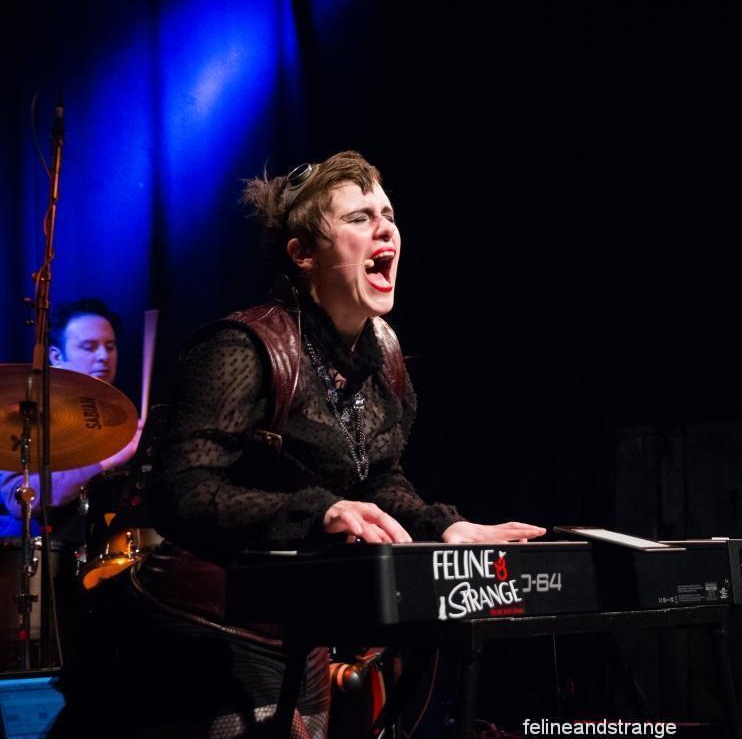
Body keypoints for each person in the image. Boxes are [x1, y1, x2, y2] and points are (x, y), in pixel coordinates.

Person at [51, 150, 544, 738]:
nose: (385, 229)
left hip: (295, 630)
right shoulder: (244, 347)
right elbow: (181, 494)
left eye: (388, 215)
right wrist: (321, 512)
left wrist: (444, 529)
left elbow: (375, 477)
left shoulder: (383, 355)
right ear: (303, 253)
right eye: (359, 217)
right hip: (198, 630)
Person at [0, 298, 141, 538]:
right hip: (53, 551)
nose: (103, 356)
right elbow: (19, 499)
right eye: (89, 346)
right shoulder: (22, 416)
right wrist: (106, 462)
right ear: (56, 357)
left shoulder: (125, 421)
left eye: (110, 346)